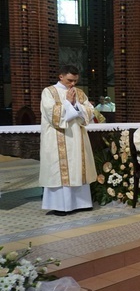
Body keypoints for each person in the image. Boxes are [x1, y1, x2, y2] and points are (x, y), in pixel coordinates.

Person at [39, 66, 96, 215]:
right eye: (70, 80)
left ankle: (82, 203)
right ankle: (61, 206)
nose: (72, 84)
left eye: (75, 81)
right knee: (59, 170)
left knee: (78, 168)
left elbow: (90, 110)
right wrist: (68, 103)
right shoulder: (49, 92)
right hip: (58, 137)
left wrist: (76, 105)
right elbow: (52, 114)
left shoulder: (79, 92)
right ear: (61, 76)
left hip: (77, 138)